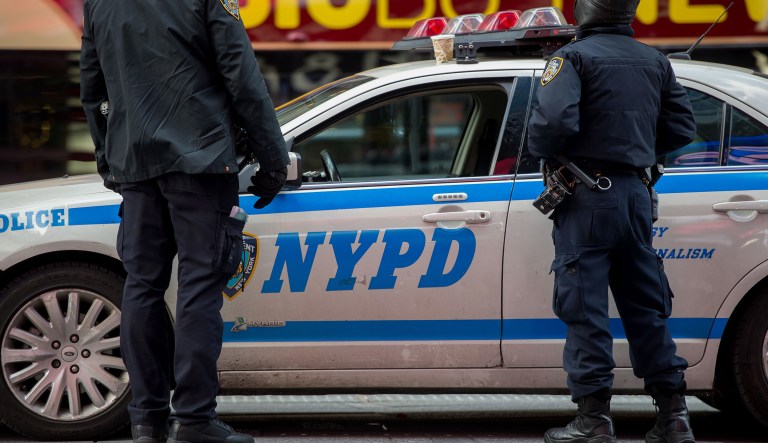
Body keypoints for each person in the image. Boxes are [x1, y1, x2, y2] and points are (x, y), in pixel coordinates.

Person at [80, 0, 289, 442]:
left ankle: (146, 419)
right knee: (198, 284)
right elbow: (242, 77)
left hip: (135, 165)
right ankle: (193, 419)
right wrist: (273, 160)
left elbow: (92, 90)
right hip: (202, 163)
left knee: (141, 286)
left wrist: (109, 161)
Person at [526, 0, 697, 442]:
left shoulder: (571, 58)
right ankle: (674, 417)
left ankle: (593, 420)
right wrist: (634, 149)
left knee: (584, 309)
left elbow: (551, 124)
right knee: (646, 308)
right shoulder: (654, 60)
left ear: (586, 10)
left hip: (586, 199)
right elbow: (681, 127)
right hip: (637, 195)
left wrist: (559, 148)